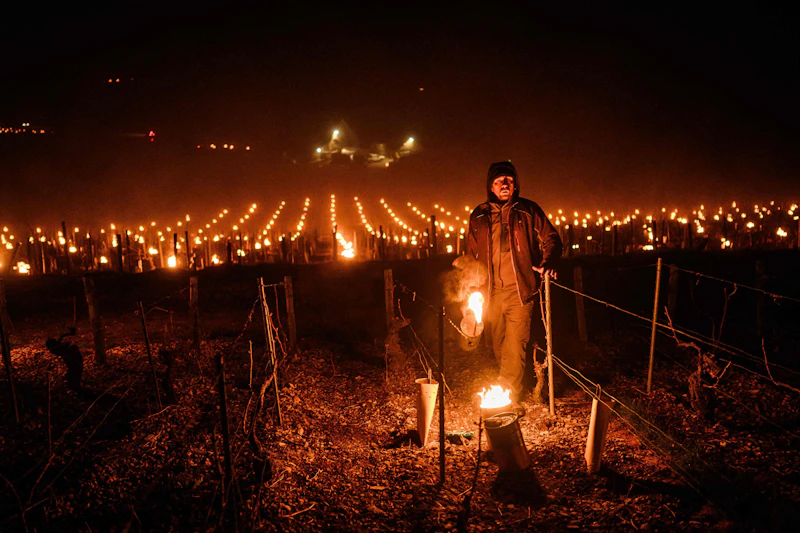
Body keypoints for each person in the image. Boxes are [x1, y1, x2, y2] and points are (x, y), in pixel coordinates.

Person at [466, 161, 563, 402]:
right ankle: (509, 385)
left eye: (509, 180)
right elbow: (470, 256)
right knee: (498, 346)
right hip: (491, 294)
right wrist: (469, 289)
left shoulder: (528, 210)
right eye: (499, 181)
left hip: (521, 291)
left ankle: (506, 396)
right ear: (490, 186)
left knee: (515, 345)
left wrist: (548, 262)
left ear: (515, 183)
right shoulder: (478, 215)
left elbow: (552, 238)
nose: (505, 185)